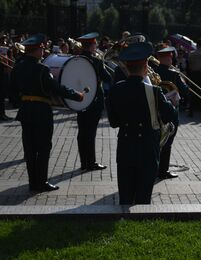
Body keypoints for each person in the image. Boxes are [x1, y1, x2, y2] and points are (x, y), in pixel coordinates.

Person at [9, 34, 85, 192]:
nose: (43, 51)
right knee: (43, 147)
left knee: (29, 149)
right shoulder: (42, 69)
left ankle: (32, 183)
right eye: (41, 49)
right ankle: (41, 182)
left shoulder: (17, 68)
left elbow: (12, 91)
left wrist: (22, 101)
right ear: (35, 50)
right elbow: (56, 88)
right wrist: (76, 95)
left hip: (25, 111)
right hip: (41, 112)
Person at [105, 42, 177, 205]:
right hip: (147, 148)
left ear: (127, 66)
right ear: (145, 65)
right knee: (143, 198)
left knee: (125, 196)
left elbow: (114, 122)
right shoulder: (154, 91)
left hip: (125, 145)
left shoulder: (116, 89)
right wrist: (171, 103)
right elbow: (171, 115)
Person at [75, 32, 112, 171]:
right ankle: (91, 163)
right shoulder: (96, 61)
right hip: (94, 101)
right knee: (90, 133)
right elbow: (108, 78)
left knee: (82, 132)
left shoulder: (77, 60)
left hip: (81, 99)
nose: (96, 46)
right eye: (95, 44)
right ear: (91, 46)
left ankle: (84, 162)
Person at [154, 45, 189, 179]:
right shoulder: (174, 74)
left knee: (157, 139)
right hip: (171, 112)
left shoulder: (154, 71)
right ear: (168, 58)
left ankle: (155, 167)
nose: (171, 59)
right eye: (170, 57)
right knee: (167, 142)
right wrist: (182, 79)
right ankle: (163, 171)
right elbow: (185, 91)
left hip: (157, 110)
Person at [187, 38, 201, 118]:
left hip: (194, 74)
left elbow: (189, 65)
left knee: (193, 93)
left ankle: (191, 111)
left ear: (196, 44)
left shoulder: (191, 53)